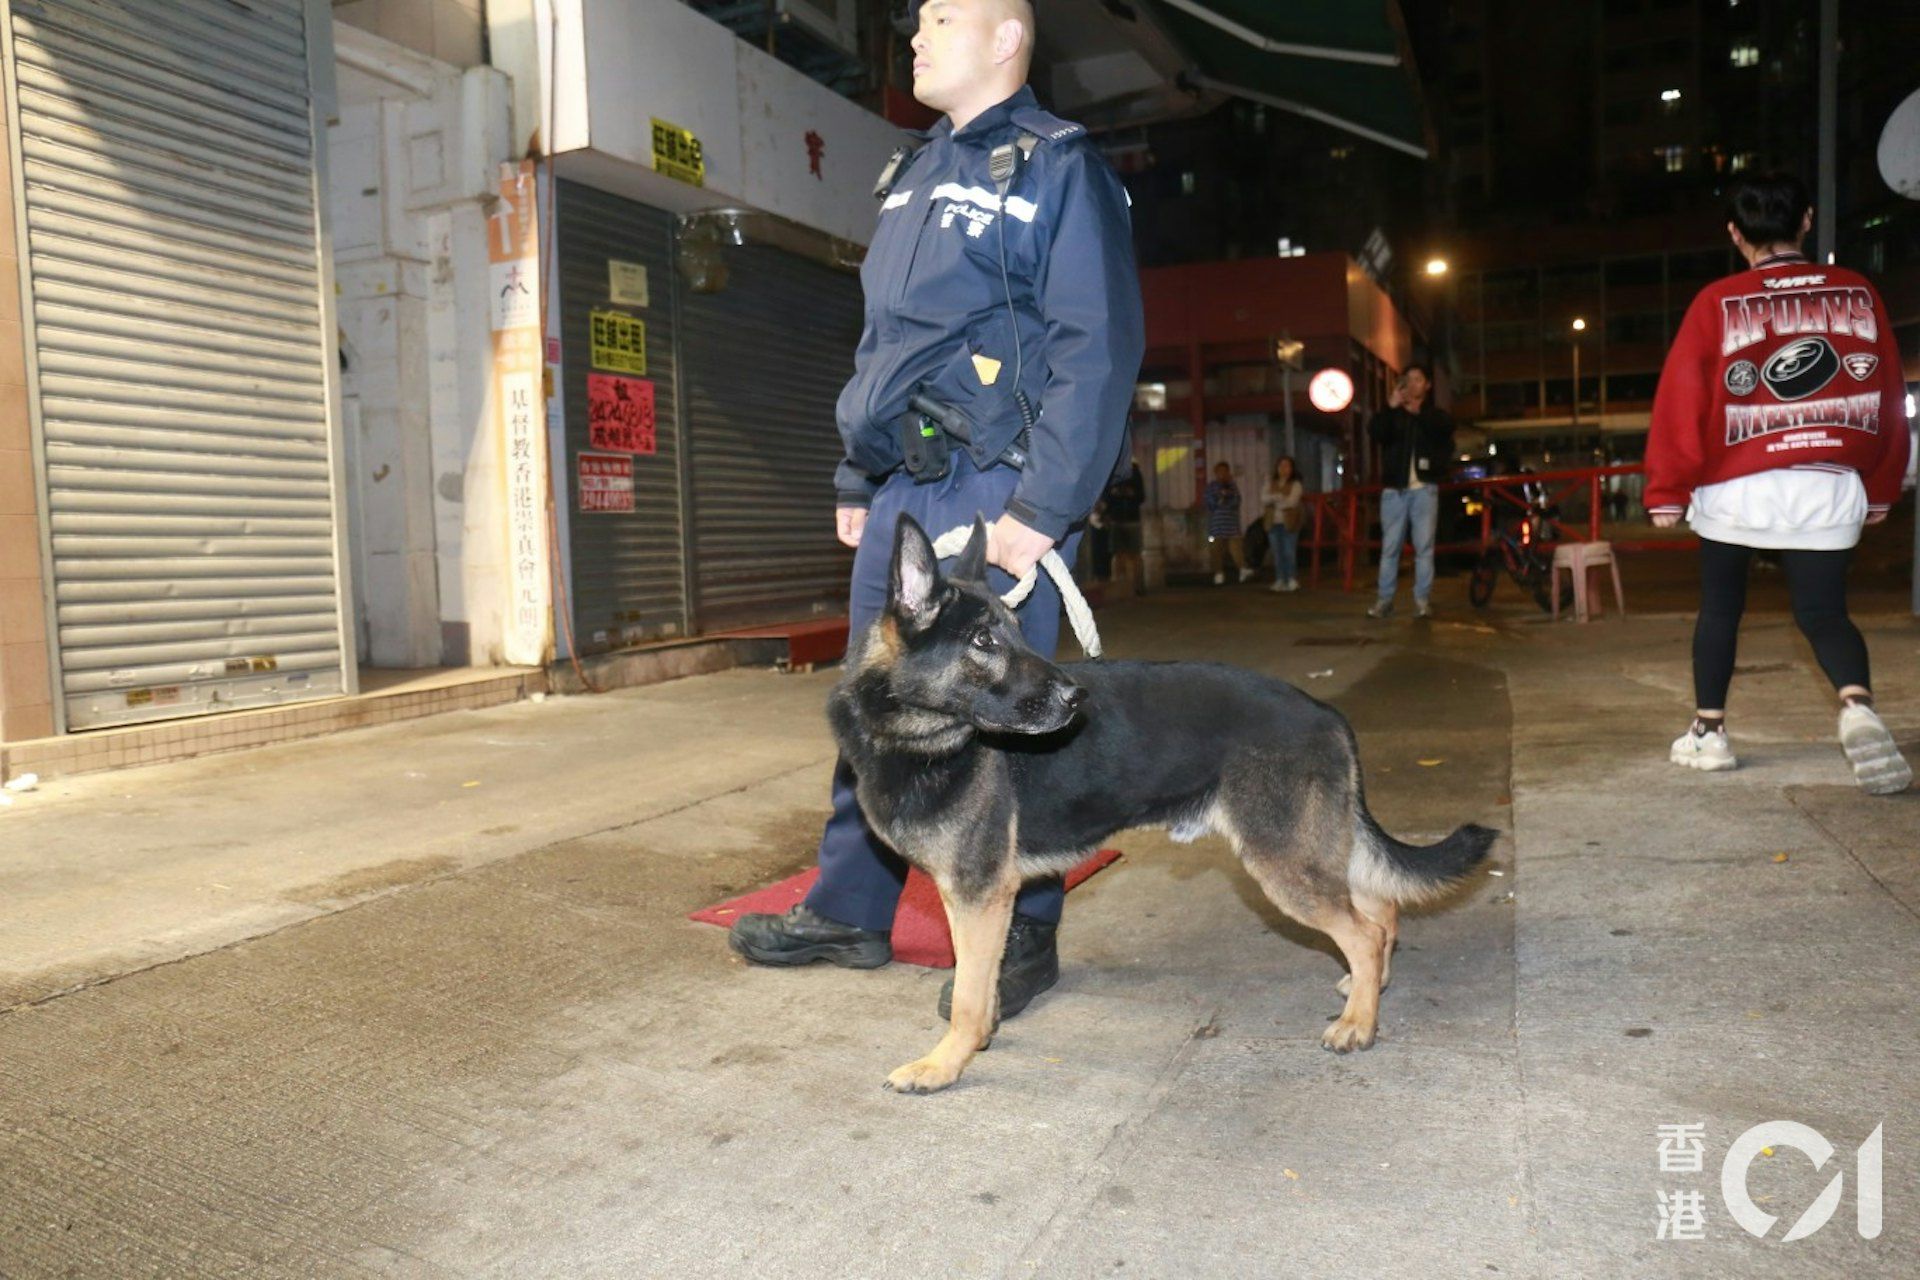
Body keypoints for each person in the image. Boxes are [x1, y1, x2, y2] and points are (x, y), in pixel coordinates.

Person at [728, 0, 1147, 1017]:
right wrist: (856, 473)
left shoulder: (1058, 165)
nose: (915, 35)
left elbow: (1099, 348)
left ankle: (1024, 935)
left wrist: (1044, 504)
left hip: (998, 486)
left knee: (1009, 719)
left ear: (1006, 38)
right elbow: (884, 346)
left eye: (943, 17)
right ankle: (849, 909)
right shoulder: (909, 173)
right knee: (876, 708)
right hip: (905, 489)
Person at [1646, 173, 1911, 793]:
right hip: (1827, 483)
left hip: (1738, 485)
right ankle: (1857, 707)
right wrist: (1880, 485)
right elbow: (1887, 394)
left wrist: (1667, 488)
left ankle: (1709, 734)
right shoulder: (1857, 291)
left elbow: (1682, 395)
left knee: (1721, 610)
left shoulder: (1718, 300)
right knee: (1823, 612)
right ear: (1808, 221)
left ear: (1736, 234)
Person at [1366, 363, 1454, 619]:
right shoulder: (1393, 414)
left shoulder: (1434, 415)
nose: (1413, 383)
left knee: (1424, 548)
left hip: (1425, 490)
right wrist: (1390, 407)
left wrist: (1417, 412)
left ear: (1426, 385)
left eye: (1418, 379)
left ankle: (1422, 600)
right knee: (1390, 547)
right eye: (1408, 379)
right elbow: (1375, 432)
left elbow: (1446, 432)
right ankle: (1384, 600)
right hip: (1395, 489)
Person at [1262, 456, 1306, 592]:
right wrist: (1279, 498)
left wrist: (1275, 499)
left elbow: (1292, 502)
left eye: (1287, 466)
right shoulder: (1270, 482)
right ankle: (1280, 579)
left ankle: (1291, 579)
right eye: (1281, 466)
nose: (1283, 469)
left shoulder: (1296, 484)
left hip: (1289, 522)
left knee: (1289, 552)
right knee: (1277, 552)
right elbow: (1264, 498)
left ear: (1292, 469)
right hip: (1272, 522)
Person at [1205, 461, 1253, 584]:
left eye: (1224, 471)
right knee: (1216, 550)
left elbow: (1236, 502)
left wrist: (1228, 496)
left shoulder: (1233, 486)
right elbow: (1210, 504)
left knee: (1236, 549)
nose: (1222, 474)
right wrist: (1221, 498)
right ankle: (1218, 573)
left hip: (1232, 525)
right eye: (1219, 471)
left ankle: (1242, 569)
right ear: (1215, 473)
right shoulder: (1211, 487)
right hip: (1216, 526)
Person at [1102, 458, 1146, 595]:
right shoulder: (1111, 472)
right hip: (1118, 519)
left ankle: (1137, 586)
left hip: (1131, 519)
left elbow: (1141, 496)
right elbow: (1106, 496)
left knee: (1133, 555)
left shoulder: (1134, 472)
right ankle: (1120, 586)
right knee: (1118, 555)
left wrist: (1128, 493)